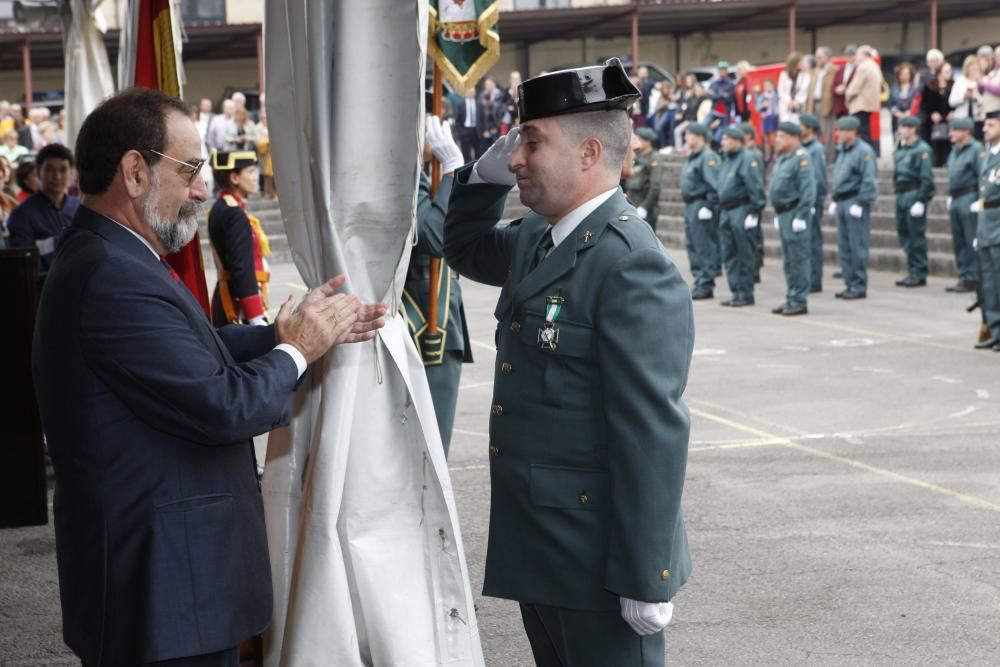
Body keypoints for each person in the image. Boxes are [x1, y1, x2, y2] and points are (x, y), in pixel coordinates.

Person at [31, 87, 387, 666]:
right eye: (191, 169)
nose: (203, 188)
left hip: (166, 583)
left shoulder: (112, 255)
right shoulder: (112, 274)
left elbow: (184, 353)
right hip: (165, 590)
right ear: (135, 173)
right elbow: (223, 406)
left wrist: (276, 334)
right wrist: (298, 351)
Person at [443, 59, 693, 666]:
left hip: (598, 562)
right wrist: (482, 174)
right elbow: (462, 246)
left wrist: (646, 573)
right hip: (542, 546)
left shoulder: (631, 263)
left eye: (532, 142)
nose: (519, 157)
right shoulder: (538, 236)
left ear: (587, 154)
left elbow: (651, 431)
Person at [402, 115, 473, 455]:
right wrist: (451, 172)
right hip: (425, 319)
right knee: (428, 449)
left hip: (439, 312)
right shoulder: (407, 173)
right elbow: (432, 238)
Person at [207, 149, 271, 327]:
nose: (254, 177)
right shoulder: (234, 213)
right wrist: (256, 316)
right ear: (234, 178)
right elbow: (242, 270)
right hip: (238, 307)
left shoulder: (222, 207)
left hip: (231, 297)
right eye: (250, 172)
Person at [767, 122, 816, 315]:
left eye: (782, 136)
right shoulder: (784, 158)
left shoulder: (801, 158)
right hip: (784, 213)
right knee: (788, 261)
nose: (777, 140)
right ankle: (791, 297)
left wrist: (802, 215)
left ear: (794, 138)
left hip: (795, 213)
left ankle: (799, 300)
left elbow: (808, 189)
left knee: (798, 259)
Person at [7, 143, 80, 272]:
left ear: (71, 173)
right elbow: (24, 267)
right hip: (42, 287)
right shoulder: (22, 215)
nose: (57, 176)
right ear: (38, 172)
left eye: (63, 170)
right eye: (49, 169)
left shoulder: (80, 208)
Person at [829, 115, 878, 299]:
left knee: (857, 246)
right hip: (842, 201)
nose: (839, 134)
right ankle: (849, 283)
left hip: (855, 201)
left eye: (842, 130)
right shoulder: (842, 151)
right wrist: (835, 198)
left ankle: (858, 285)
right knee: (844, 247)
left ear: (853, 132)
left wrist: (861, 202)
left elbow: (869, 179)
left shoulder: (863, 151)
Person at [717, 124, 766, 307]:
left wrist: (754, 212)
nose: (723, 142)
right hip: (727, 210)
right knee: (729, 254)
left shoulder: (747, 158)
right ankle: (736, 291)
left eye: (727, 139)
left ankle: (746, 293)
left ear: (738, 140)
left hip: (741, 209)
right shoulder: (727, 158)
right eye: (723, 138)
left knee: (744, 254)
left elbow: (755, 187)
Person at [892, 116, 936, 287]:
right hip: (901, 193)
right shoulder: (900, 148)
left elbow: (926, 178)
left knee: (915, 235)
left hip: (914, 193)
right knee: (903, 232)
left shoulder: (922, 150)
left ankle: (919, 271)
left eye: (904, 127)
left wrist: (921, 199)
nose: (900, 130)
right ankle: (912, 269)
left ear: (913, 129)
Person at [681, 122, 721, 299]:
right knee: (692, 244)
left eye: (689, 134)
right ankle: (699, 280)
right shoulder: (694, 156)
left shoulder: (707, 157)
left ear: (699, 137)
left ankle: (706, 283)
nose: (686, 137)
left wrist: (709, 206)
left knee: (703, 245)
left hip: (700, 204)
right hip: (690, 204)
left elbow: (714, 184)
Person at [944, 117, 983, 293]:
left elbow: (981, 176)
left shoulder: (975, 150)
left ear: (965, 132)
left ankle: (973, 277)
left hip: (969, 196)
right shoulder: (954, 151)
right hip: (956, 197)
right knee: (958, 239)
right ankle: (963, 275)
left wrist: (980, 199)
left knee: (970, 239)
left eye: (955, 130)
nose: (950, 133)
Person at [799, 113, 828, 293]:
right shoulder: (804, 148)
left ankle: (815, 279)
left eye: (802, 125)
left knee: (813, 242)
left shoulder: (816, 149)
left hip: (812, 202)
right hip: (805, 201)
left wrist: (815, 202)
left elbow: (817, 179)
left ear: (809, 129)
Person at [624, 127, 664, 230]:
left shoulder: (654, 158)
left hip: (645, 201)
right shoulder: (636, 156)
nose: (637, 142)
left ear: (648, 142)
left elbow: (655, 186)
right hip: (632, 200)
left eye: (640, 139)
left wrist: (645, 206)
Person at [741, 123, 766, 282]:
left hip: (751, 201)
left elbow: (756, 182)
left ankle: (755, 269)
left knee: (753, 238)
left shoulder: (753, 154)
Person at [846, 45, 882, 155]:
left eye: (857, 54)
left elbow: (854, 87)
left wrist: (847, 96)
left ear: (864, 54)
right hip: (869, 104)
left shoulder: (864, 67)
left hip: (860, 104)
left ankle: (864, 156)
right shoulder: (874, 66)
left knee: (862, 133)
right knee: (866, 131)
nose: (856, 57)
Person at [809, 46, 838, 162]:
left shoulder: (834, 70)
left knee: (828, 133)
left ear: (827, 57)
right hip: (814, 104)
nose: (817, 59)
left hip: (826, 104)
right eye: (816, 57)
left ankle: (830, 158)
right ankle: (817, 158)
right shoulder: (815, 71)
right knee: (815, 132)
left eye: (820, 57)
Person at [949, 56, 983, 140]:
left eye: (975, 67)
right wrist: (964, 97)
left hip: (976, 119)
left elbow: (985, 101)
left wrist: (975, 97)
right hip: (961, 118)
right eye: (971, 67)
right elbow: (951, 101)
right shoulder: (960, 81)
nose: (973, 69)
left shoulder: (982, 81)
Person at [888, 62, 919, 135]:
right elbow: (890, 104)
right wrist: (897, 113)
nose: (904, 76)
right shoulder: (894, 88)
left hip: (911, 118)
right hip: (897, 119)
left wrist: (909, 112)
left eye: (907, 73)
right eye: (902, 73)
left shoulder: (915, 88)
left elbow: (917, 103)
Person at [454, 86, 482, 162]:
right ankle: (467, 170)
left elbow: (482, 118)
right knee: (466, 154)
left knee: (478, 153)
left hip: (476, 131)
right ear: (466, 93)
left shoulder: (478, 103)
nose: (471, 93)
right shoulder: (460, 104)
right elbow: (457, 119)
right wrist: (460, 131)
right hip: (464, 131)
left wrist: (483, 130)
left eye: (473, 92)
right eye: (469, 92)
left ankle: (476, 170)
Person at [832, 45, 858, 120]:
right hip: (840, 107)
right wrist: (836, 89)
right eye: (848, 55)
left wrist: (845, 89)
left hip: (853, 105)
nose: (850, 57)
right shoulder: (840, 69)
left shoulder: (859, 69)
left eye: (852, 55)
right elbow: (833, 86)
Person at [757, 78, 779, 163]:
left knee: (774, 137)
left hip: (773, 117)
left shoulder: (776, 95)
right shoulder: (762, 97)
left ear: (773, 86)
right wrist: (763, 106)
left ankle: (776, 154)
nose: (768, 88)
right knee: (766, 138)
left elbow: (779, 106)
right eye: (766, 86)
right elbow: (757, 107)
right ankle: (767, 154)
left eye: (769, 86)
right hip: (765, 118)